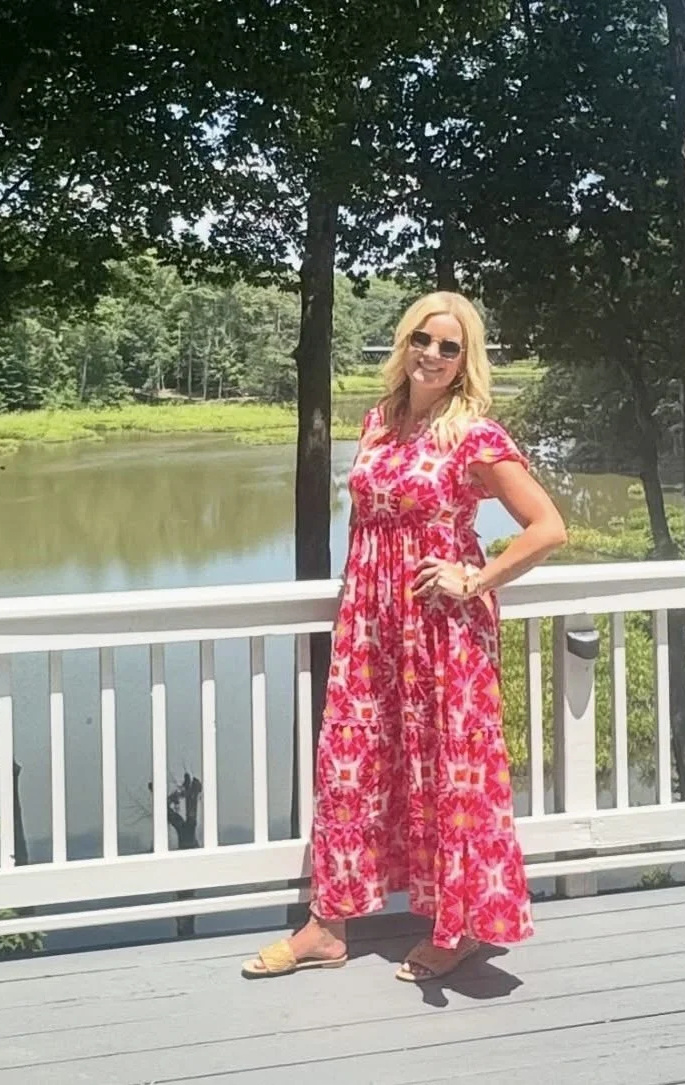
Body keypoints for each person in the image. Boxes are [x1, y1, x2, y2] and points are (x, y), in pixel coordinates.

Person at [243, 291, 567, 983]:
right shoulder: (378, 422)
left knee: (448, 770)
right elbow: (367, 523)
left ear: (465, 359)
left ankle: (459, 927)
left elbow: (548, 528)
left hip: (442, 630)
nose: (433, 354)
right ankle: (328, 925)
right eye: (423, 338)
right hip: (370, 622)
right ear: (405, 342)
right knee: (351, 764)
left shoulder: (474, 435)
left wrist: (475, 579)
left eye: (450, 346)